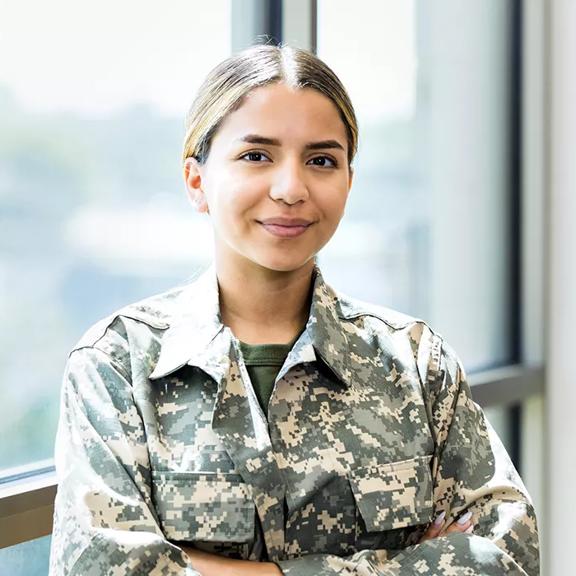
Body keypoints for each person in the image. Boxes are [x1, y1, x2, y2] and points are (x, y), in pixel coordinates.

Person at [49, 44, 539, 575]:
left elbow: (506, 555)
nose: (290, 189)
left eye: (321, 160)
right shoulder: (119, 364)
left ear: (348, 181)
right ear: (197, 181)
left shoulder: (416, 363)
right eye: (256, 156)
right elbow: (99, 567)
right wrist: (403, 562)